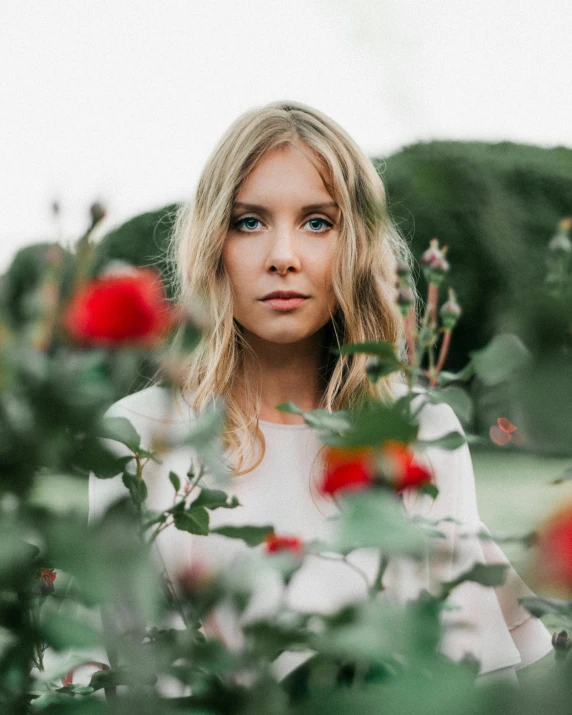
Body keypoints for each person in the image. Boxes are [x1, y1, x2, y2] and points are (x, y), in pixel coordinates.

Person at [88, 100, 553, 687]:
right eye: (249, 221)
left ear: (356, 245)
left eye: (317, 222)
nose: (283, 257)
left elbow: (476, 674)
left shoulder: (418, 429)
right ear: (213, 243)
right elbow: (116, 675)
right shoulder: (137, 439)